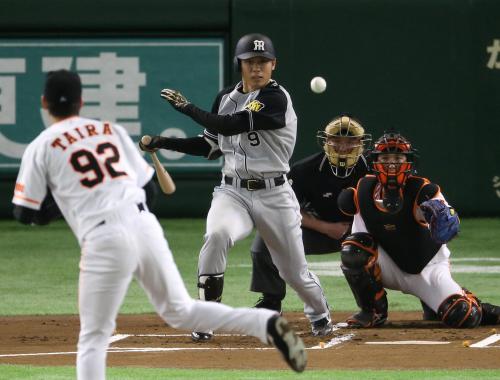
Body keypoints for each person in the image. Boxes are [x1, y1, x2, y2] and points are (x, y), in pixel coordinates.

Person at [11, 69, 307, 379]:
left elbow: (24, 213)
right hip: (143, 225)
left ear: (44, 103)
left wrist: (65, 199)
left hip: (103, 238)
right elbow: (149, 191)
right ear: (81, 102)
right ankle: (263, 324)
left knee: (94, 337)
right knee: (181, 311)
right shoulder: (109, 131)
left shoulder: (42, 145)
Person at [140, 33, 333, 341]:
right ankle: (205, 317)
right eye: (250, 62)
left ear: (273, 65)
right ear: (240, 65)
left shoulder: (275, 98)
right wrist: (164, 142)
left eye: (263, 62)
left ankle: (320, 314)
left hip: (275, 193)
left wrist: (188, 108)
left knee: (292, 271)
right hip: (233, 192)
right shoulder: (226, 97)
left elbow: (231, 125)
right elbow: (210, 145)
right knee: (216, 235)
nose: (257, 68)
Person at [337, 131, 500, 328]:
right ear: (375, 161)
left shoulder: (423, 190)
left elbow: (449, 225)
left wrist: (442, 216)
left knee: (463, 315)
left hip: (427, 268)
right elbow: (348, 209)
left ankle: (481, 308)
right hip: (388, 264)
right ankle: (372, 311)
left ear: (409, 162)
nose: (391, 164)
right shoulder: (363, 189)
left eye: (398, 158)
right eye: (386, 158)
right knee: (353, 249)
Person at [250, 115, 370, 312]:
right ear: (326, 141)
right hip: (319, 231)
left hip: (365, 232)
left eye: (350, 141)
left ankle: (373, 306)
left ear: (360, 143)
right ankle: (271, 301)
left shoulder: (373, 168)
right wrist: (325, 227)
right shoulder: (305, 170)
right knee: (266, 240)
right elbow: (285, 209)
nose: (343, 146)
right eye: (337, 140)